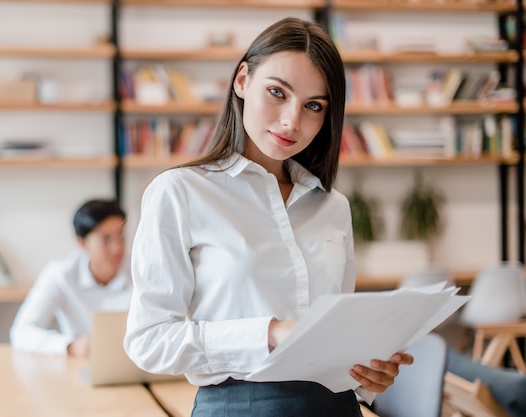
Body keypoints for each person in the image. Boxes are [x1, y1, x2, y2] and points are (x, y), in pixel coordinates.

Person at [123, 17, 413, 416]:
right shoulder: (180, 192)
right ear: (242, 80)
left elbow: (338, 337)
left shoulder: (332, 206)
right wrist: (270, 333)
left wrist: (366, 377)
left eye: (314, 106)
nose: (292, 121)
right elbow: (149, 340)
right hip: (239, 406)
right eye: (277, 92)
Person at [10, 198, 132, 358]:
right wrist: (70, 346)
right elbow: (21, 333)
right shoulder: (60, 275)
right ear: (82, 243)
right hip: (82, 366)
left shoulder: (142, 269)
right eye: (106, 239)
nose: (117, 248)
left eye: (121, 236)